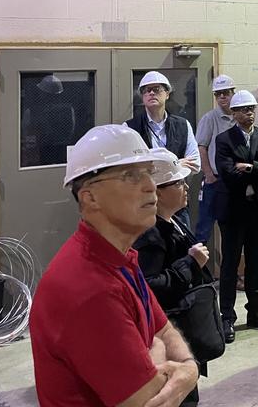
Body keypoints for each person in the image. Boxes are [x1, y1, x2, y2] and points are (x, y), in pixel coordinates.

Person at [30, 124, 199, 407]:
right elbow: (148, 400)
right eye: (131, 176)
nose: (150, 186)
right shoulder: (88, 288)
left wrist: (188, 368)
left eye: (148, 172)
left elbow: (164, 331)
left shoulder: (122, 259)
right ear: (89, 197)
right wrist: (161, 353)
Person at [134, 156, 220, 407]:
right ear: (157, 192)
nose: (186, 188)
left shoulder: (173, 222)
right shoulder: (150, 233)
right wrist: (190, 265)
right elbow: (149, 286)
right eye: (178, 183)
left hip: (183, 330)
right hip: (168, 334)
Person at [211, 90, 258, 343]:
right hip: (233, 209)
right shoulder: (224, 139)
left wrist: (249, 167)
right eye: (243, 109)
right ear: (234, 113)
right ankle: (227, 316)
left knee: (254, 264)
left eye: (252, 108)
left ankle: (254, 313)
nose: (249, 112)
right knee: (230, 264)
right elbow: (228, 173)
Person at [125, 71, 201, 226]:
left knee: (181, 247)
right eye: (147, 90)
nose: (151, 93)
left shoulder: (182, 125)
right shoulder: (129, 128)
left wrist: (152, 168)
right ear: (142, 97)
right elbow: (129, 168)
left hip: (176, 204)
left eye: (157, 89)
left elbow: (196, 164)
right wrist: (178, 165)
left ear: (167, 94)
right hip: (144, 203)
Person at [194, 74, 237, 246]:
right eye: (217, 94)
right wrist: (209, 174)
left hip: (233, 179)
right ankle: (197, 269)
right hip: (215, 180)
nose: (221, 97)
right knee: (204, 226)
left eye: (225, 92)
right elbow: (201, 147)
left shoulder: (238, 117)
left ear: (233, 92)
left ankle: (229, 272)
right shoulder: (210, 119)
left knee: (231, 227)